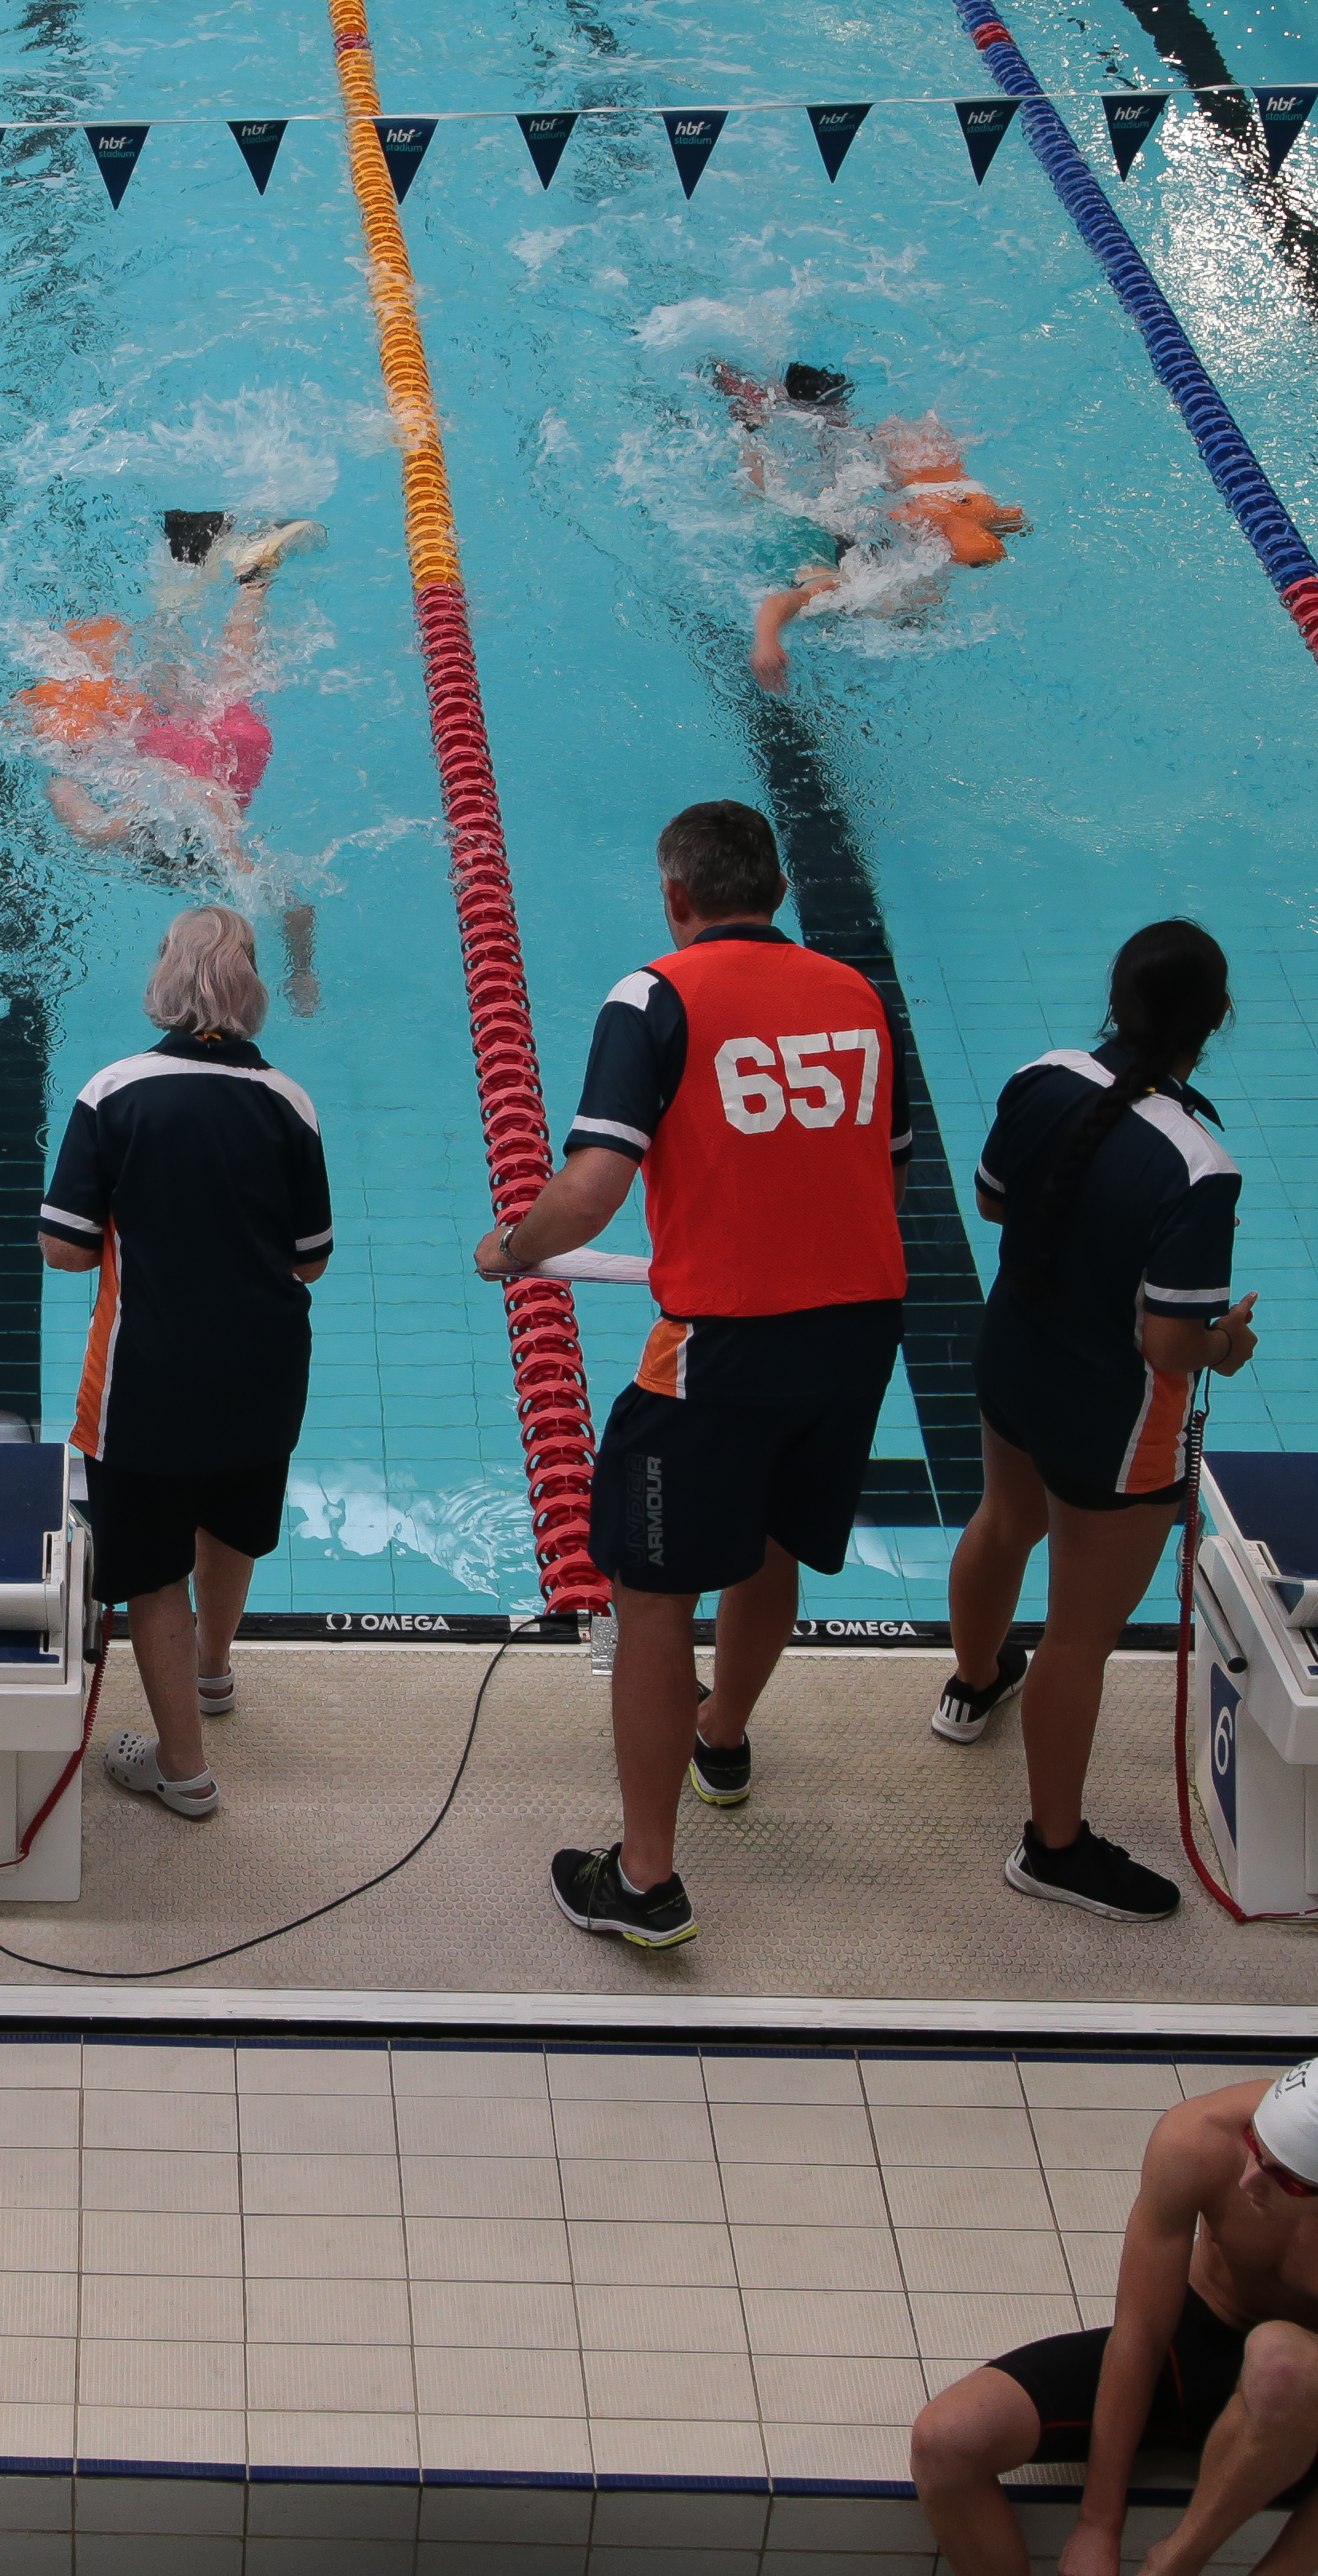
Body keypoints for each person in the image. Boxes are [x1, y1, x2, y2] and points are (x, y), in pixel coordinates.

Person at [473, 802, 908, 1950]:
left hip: (725, 1341)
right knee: (768, 1542)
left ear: (676, 899)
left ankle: (648, 1880)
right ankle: (723, 1738)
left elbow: (594, 1185)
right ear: (775, 889)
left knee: (651, 1592)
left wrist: (512, 1250)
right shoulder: (856, 993)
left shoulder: (656, 994)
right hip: (861, 1327)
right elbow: (887, 1164)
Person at [934, 922, 1257, 1921]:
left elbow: (993, 1204)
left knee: (1002, 1523)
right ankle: (1054, 1847)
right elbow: (1167, 1345)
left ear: (1115, 1000)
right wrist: (1224, 1347)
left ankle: (974, 1685)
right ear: (1214, 1024)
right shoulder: (1200, 1165)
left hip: (1013, 1364)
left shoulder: (1045, 1076)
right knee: (1078, 1638)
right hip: (1114, 1421)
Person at [910, 2055, 1318, 2576]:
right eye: (1257, 2145)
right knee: (947, 2441)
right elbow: (1141, 2333)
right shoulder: (1200, 2136)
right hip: (1188, 2347)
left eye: (1286, 2178)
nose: (1250, 2178)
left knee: (1281, 2363)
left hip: (1302, 2406)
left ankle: (1178, 2559)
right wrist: (1098, 2524)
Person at [38, 908, 333, 1819]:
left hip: (146, 1381)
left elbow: (66, 1250)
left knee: (154, 1570)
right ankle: (213, 1674)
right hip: (265, 1370)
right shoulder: (290, 1100)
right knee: (234, 1525)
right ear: (249, 987)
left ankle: (184, 1769)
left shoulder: (114, 1092)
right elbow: (310, 1256)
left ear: (166, 980)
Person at [27, 511, 323, 1012]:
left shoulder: (233, 863)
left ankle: (250, 581)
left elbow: (298, 910)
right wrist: (64, 760)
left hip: (232, 753)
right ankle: (181, 575)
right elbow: (62, 788)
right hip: (167, 753)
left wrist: (303, 972)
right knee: (168, 678)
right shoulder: (110, 832)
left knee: (233, 677)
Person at [711, 365, 1033, 694]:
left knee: (796, 479)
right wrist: (765, 643)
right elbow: (783, 601)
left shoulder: (868, 576)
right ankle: (759, 417)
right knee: (772, 487)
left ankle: (772, 414)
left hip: (818, 527)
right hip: (808, 531)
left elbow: (784, 600)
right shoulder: (846, 586)